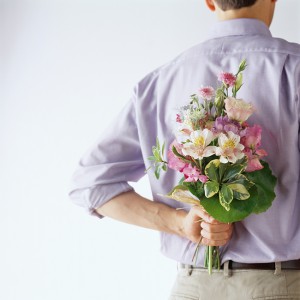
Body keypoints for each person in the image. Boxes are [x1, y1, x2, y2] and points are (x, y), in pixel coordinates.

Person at [69, 0, 300, 299]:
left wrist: (179, 223)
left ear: (209, 1)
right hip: (279, 286)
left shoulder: (159, 83)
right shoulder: (294, 69)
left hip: (193, 288)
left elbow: (89, 182)